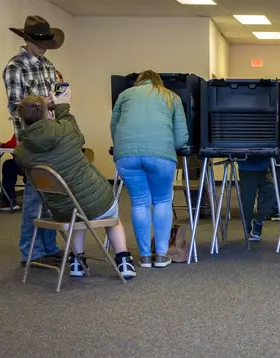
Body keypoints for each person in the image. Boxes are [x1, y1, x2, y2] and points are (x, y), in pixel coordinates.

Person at [14, 94, 136, 279]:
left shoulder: (20, 151)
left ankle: (77, 263)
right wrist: (62, 106)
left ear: (22, 119)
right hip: (96, 203)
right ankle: (124, 261)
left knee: (75, 215)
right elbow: (79, 137)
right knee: (113, 218)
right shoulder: (65, 129)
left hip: (60, 210)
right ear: (48, 113)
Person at [111, 70, 188, 269]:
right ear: (158, 82)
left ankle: (145, 256)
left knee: (139, 203)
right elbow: (181, 138)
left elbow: (114, 127)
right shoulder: (171, 97)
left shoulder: (125, 95)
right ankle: (161, 255)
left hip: (126, 156)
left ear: (139, 82)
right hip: (161, 156)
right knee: (162, 200)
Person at [3, 15, 63, 265]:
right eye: (41, 43)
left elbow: (53, 98)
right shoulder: (15, 67)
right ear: (27, 40)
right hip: (29, 142)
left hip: (50, 138)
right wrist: (45, 102)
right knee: (33, 197)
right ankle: (30, 251)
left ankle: (48, 247)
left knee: (49, 196)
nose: (44, 47)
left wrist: (60, 100)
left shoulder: (48, 65)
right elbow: (16, 106)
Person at [238, 157, 277, 242]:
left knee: (271, 193)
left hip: (263, 168)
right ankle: (250, 229)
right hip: (247, 168)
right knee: (247, 201)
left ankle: (257, 222)